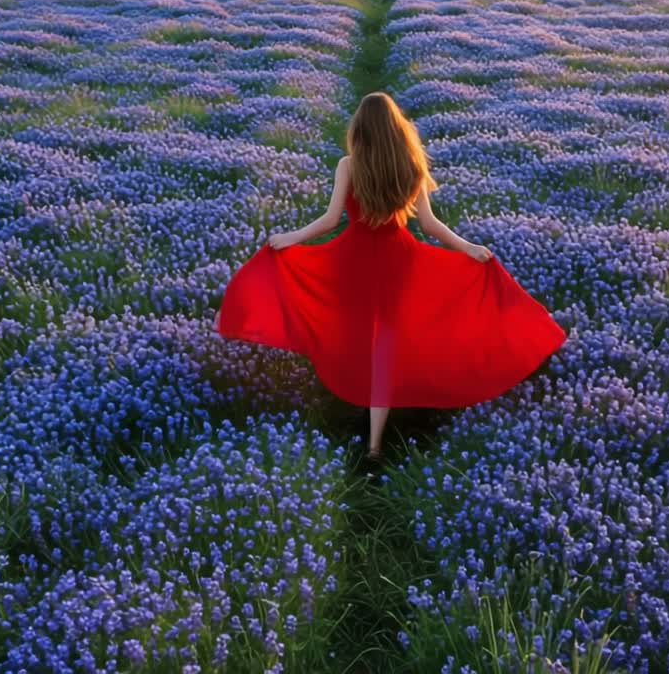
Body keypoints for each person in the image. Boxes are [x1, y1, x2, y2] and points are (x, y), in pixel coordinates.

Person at [214, 92, 566, 465]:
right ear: (398, 129)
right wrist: (468, 247)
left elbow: (331, 220)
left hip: (352, 262)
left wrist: (290, 238)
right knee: (386, 345)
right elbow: (429, 225)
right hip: (400, 263)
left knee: (351, 332)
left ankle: (348, 404)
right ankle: (375, 446)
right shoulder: (410, 165)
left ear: (360, 130)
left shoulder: (349, 166)